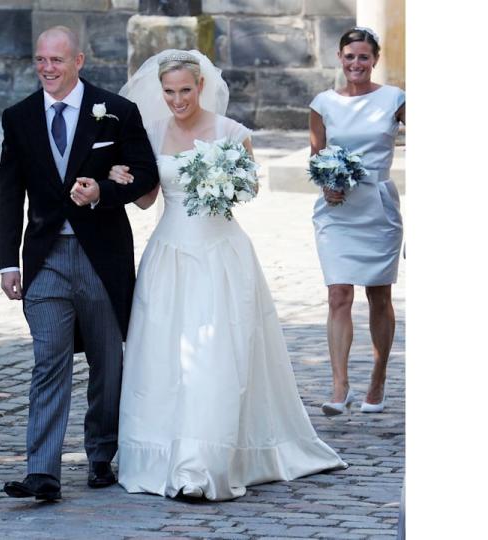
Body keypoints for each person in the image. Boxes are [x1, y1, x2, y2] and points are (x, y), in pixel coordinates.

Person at [108, 49, 347, 501]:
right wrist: (122, 176)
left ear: (201, 86)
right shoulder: (152, 132)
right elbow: (145, 200)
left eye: (185, 90)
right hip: (169, 256)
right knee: (164, 357)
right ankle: (161, 454)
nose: (177, 99)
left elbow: (249, 188)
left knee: (217, 355)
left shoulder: (232, 133)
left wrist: (227, 179)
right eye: (169, 91)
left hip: (221, 255)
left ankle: (206, 461)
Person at [0, 26, 159, 501]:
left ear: (79, 61)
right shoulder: (19, 117)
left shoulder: (117, 112)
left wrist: (105, 192)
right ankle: (42, 472)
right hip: (45, 259)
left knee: (108, 364)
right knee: (49, 359)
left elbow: (147, 175)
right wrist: (9, 263)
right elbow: (10, 195)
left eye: (57, 60)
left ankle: (101, 455)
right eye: (40, 59)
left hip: (101, 258)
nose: (47, 68)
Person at [310, 28, 405, 415]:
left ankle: (378, 378)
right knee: (338, 294)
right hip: (337, 212)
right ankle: (339, 386)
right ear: (340, 57)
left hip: (378, 207)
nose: (356, 64)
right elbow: (315, 156)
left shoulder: (394, 98)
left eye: (363, 58)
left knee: (378, 296)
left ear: (374, 60)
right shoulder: (322, 103)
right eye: (349, 57)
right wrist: (326, 184)